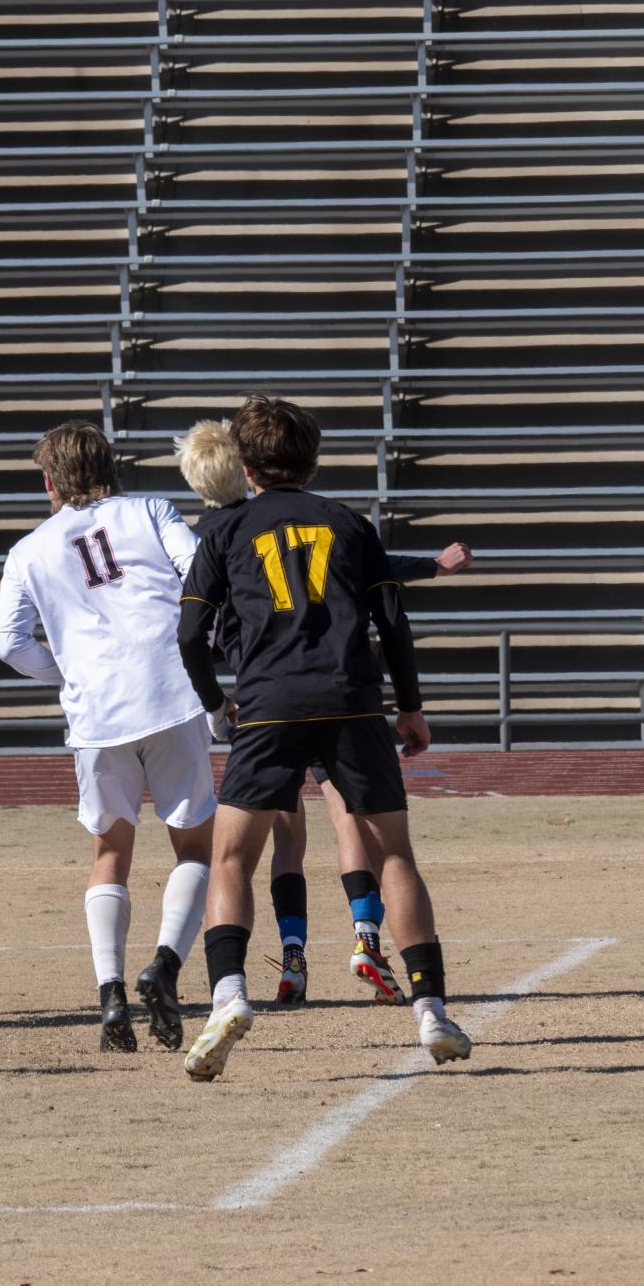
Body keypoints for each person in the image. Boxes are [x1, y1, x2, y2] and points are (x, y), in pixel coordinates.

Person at [175, 395, 471, 1081]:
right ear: (311, 459)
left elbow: (190, 633)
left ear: (244, 467)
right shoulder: (348, 521)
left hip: (270, 704)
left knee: (228, 860)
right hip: (350, 699)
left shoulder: (222, 530)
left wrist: (218, 702)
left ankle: (227, 997)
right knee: (393, 853)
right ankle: (429, 1006)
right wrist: (411, 708)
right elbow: (392, 622)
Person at [0, 421, 216, 1053]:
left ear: (48, 482)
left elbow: (8, 643)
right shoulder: (148, 508)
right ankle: (166, 967)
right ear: (110, 466)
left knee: (109, 852)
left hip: (96, 711)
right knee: (194, 846)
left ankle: (110, 991)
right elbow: (199, 569)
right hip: (172, 692)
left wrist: (68, 671)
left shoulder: (27, 549)